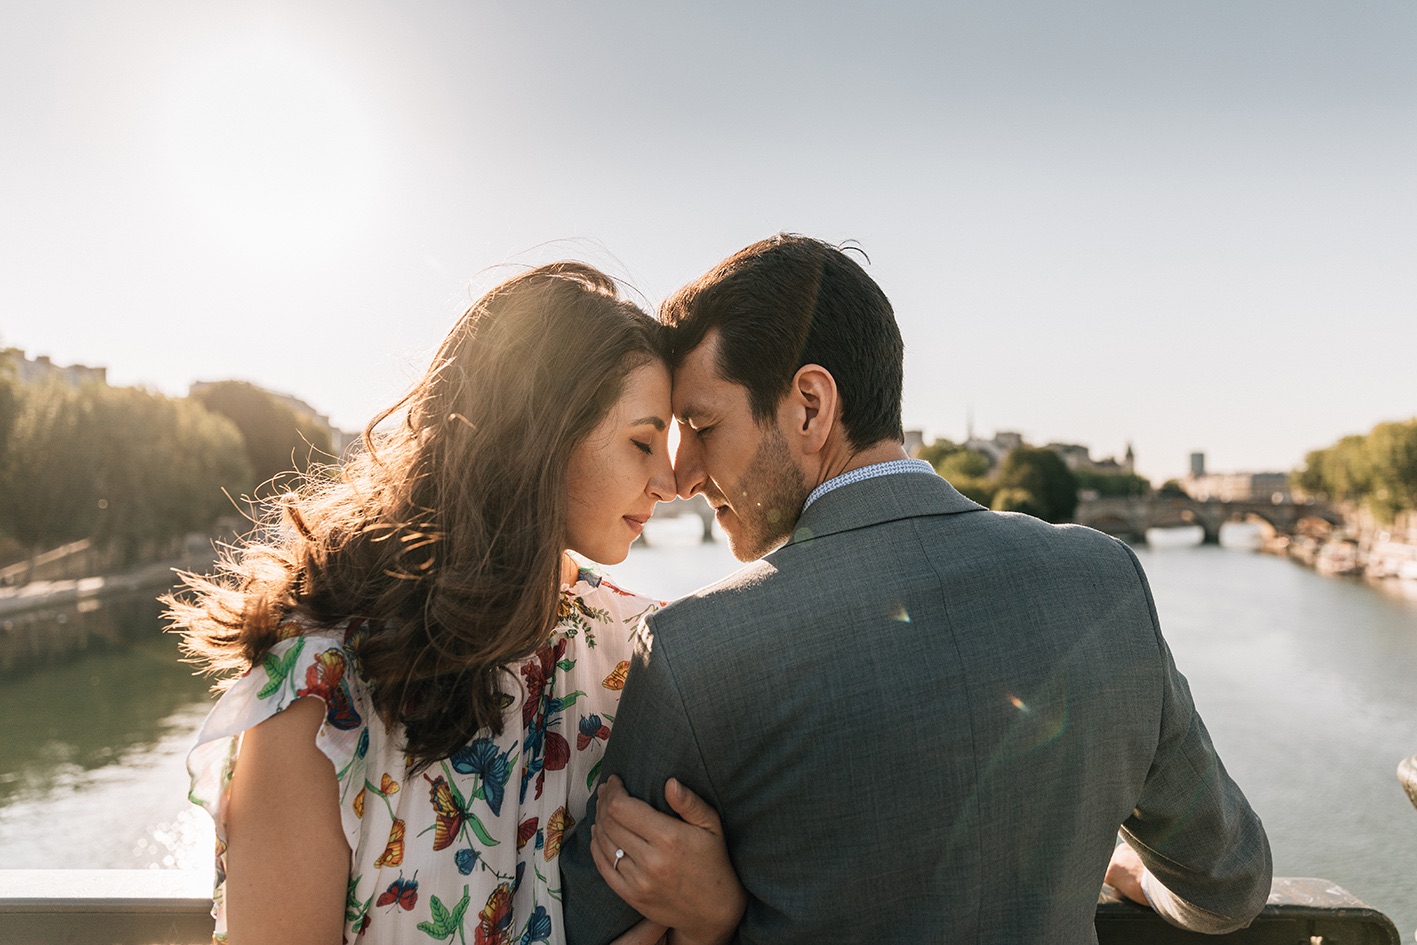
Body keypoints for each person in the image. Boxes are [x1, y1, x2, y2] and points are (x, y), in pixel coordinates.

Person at [560, 235, 1272, 944]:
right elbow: (1227, 885)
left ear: (809, 406)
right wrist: (1135, 876)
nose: (681, 476)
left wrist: (721, 910)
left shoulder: (696, 651)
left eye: (701, 426)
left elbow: (587, 928)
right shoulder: (1103, 578)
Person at [169, 263, 745, 945]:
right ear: (539, 437)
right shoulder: (323, 690)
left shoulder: (640, 650)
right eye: (642, 441)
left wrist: (714, 913)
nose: (670, 480)